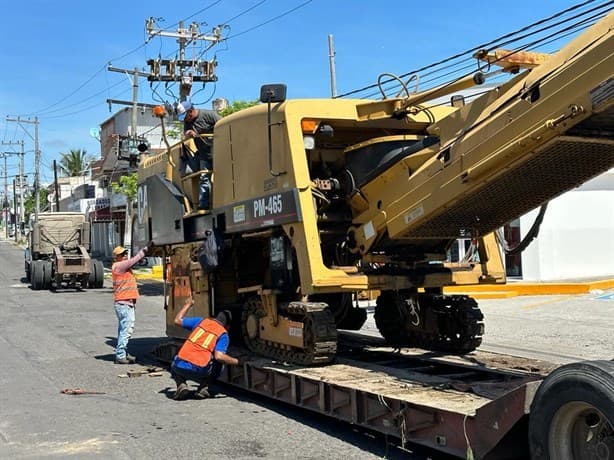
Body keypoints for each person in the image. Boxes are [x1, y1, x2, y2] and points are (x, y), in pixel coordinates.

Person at [170, 296, 243, 400]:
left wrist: (188, 304)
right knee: (219, 364)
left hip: (179, 367)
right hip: (200, 370)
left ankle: (181, 385)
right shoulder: (223, 334)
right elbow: (219, 356)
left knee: (176, 359)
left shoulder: (200, 321)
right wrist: (237, 361)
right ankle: (203, 388)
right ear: (228, 326)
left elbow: (177, 320)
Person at [111, 241, 153, 364]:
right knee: (126, 330)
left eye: (125, 253)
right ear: (117, 257)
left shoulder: (121, 267)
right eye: (122, 254)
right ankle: (120, 356)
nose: (125, 255)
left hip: (124, 303)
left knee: (123, 330)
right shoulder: (119, 266)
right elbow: (135, 259)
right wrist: (146, 248)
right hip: (124, 304)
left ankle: (122, 352)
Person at [177, 101, 221, 210]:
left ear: (190, 111)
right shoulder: (187, 122)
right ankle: (204, 205)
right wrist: (187, 134)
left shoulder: (208, 115)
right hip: (204, 155)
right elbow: (186, 134)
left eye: (185, 116)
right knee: (204, 178)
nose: (185, 120)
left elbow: (223, 124)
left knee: (221, 176)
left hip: (219, 152)